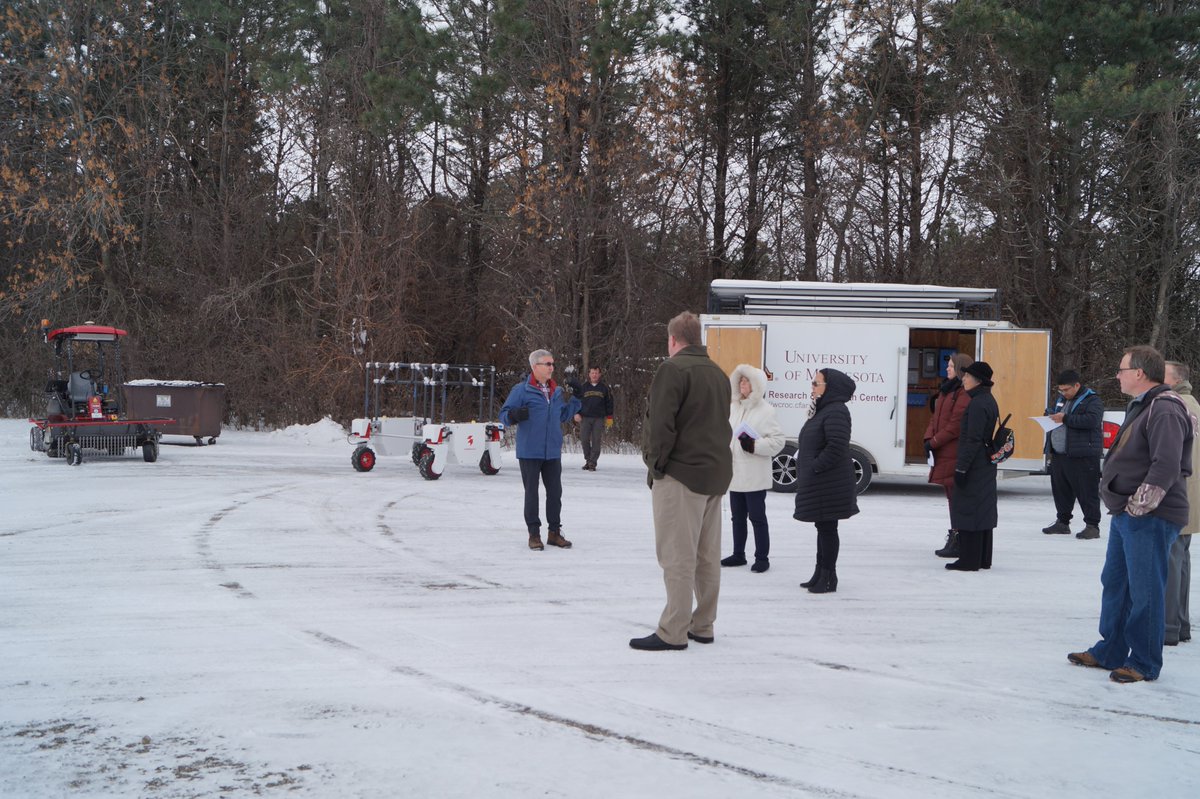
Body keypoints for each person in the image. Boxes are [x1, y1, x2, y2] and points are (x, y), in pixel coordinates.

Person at [1068, 345, 1195, 683]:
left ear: (1139, 373)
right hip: (1129, 515)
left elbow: (1166, 466)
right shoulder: (1144, 406)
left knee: (1145, 590)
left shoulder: (1165, 409)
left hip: (1149, 515)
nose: (1117, 376)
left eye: (1122, 370)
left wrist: (1138, 506)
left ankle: (1143, 662)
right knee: (1117, 583)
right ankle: (1111, 650)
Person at [632, 311, 733, 651]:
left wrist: (655, 465)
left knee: (677, 555)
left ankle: (672, 631)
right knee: (707, 555)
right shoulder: (718, 373)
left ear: (673, 339)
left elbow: (660, 425)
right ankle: (703, 624)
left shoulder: (672, 369)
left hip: (680, 475)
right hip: (714, 475)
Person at [499, 349, 582, 551]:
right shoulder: (521, 390)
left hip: (552, 451)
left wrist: (577, 397)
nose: (552, 367)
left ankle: (554, 532)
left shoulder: (557, 391)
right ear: (535, 367)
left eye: (553, 364)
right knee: (532, 494)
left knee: (555, 493)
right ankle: (534, 534)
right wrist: (514, 415)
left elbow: (563, 416)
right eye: (548, 364)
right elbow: (504, 415)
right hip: (529, 451)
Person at [793, 368, 859, 594]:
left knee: (828, 528)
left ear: (829, 388)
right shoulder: (822, 410)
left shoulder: (836, 411)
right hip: (820, 481)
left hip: (829, 482)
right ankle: (820, 572)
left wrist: (814, 466)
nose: (812, 387)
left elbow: (836, 446)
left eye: (816, 383)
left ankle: (829, 577)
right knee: (823, 527)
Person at [721, 364, 786, 573]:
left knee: (757, 517)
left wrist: (755, 445)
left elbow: (778, 442)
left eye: (746, 380)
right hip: (735, 474)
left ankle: (762, 558)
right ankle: (738, 554)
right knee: (736, 517)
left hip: (755, 475)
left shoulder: (767, 410)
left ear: (756, 385)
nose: (742, 384)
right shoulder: (734, 407)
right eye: (740, 380)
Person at [947, 361, 999, 572]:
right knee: (983, 509)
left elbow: (973, 439)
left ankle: (969, 560)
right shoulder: (988, 399)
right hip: (985, 463)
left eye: (967, 376)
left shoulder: (977, 404)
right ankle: (983, 558)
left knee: (969, 508)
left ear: (977, 380)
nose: (963, 379)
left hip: (975, 464)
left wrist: (961, 468)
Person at [1041, 369, 1104, 540]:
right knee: (1061, 490)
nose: (1063, 393)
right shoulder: (1062, 400)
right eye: (1060, 390)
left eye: (1066, 389)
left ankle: (1092, 526)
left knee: (1087, 491)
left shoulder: (1092, 400)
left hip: (1083, 455)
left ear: (1077, 385)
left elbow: (1092, 420)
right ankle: (1062, 522)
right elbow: (1059, 416)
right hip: (1060, 454)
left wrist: (1065, 418)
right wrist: (1050, 415)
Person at [925, 352, 975, 559]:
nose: (947, 369)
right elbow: (935, 419)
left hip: (953, 451)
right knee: (951, 496)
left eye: (952, 366)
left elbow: (955, 426)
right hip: (942, 451)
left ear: (962, 370)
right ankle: (956, 535)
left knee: (957, 498)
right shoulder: (947, 390)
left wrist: (935, 441)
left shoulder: (963, 393)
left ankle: (959, 538)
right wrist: (927, 438)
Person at [1164, 360, 1199, 646]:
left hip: (1178, 493)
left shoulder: (1175, 405)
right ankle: (1180, 624)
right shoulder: (1191, 403)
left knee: (1171, 560)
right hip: (1189, 494)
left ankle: (1168, 627)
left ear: (1175, 380)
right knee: (1181, 559)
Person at [567, 366, 614, 471]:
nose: (594, 375)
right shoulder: (583, 387)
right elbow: (577, 401)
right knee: (584, 440)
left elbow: (609, 403)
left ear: (600, 374)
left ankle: (593, 462)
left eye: (596, 373)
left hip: (599, 418)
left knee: (596, 440)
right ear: (589, 374)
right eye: (592, 373)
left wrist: (610, 416)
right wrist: (576, 413)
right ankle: (588, 460)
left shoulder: (604, 388)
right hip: (585, 418)